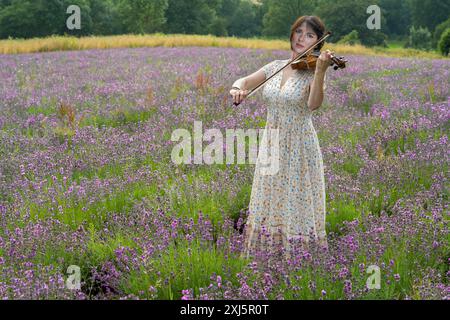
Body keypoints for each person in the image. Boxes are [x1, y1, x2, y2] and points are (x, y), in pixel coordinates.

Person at [230, 16, 333, 260]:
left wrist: (320, 72)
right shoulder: (274, 66)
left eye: (309, 35)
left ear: (318, 42)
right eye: (298, 32)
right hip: (271, 145)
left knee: (294, 202)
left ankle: (297, 262)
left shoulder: (312, 72)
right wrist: (237, 88)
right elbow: (243, 80)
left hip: (299, 146)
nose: (301, 38)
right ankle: (265, 260)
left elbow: (313, 104)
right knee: (269, 198)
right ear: (291, 34)